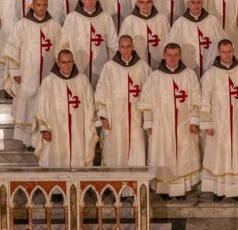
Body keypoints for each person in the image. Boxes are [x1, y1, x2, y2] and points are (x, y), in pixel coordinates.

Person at [139, 43, 202, 199]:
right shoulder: (155, 76)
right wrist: (149, 122)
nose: (172, 59)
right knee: (163, 155)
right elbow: (146, 101)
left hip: (184, 125)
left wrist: (194, 120)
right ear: (164, 55)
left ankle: (181, 190)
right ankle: (164, 189)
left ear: (180, 56)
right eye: (169, 55)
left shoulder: (189, 75)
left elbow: (197, 100)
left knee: (183, 155)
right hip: (162, 126)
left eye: (175, 55)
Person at [199, 39, 238, 201]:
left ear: (233, 51)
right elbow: (204, 101)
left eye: (229, 51)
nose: (227, 55)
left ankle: (236, 190)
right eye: (223, 52)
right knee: (218, 156)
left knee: (237, 156)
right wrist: (207, 123)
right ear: (218, 52)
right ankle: (218, 190)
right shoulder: (210, 74)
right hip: (217, 125)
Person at [2, 0, 61, 144]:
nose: (41, 8)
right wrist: (15, 71)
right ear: (33, 6)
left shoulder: (54, 25)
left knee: (45, 103)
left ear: (48, 5)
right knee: (27, 104)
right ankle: (27, 140)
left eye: (44, 5)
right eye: (38, 5)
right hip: (26, 74)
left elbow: (60, 49)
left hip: (47, 73)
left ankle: (42, 140)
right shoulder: (22, 25)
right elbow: (13, 48)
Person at [32, 49, 98, 168]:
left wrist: (90, 126)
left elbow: (90, 105)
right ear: (58, 63)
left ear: (73, 62)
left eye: (69, 62)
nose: (67, 66)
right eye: (63, 62)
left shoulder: (82, 81)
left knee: (78, 159)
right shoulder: (48, 82)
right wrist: (44, 128)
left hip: (78, 131)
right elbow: (40, 107)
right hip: (55, 131)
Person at [95, 34, 151, 167]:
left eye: (128, 47)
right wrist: (104, 116)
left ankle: (137, 177)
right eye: (122, 47)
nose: (125, 50)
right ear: (118, 48)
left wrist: (149, 119)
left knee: (137, 149)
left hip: (137, 118)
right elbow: (101, 93)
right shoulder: (109, 67)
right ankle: (115, 177)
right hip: (115, 119)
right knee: (116, 151)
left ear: (133, 47)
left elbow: (151, 94)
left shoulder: (143, 67)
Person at [60, 0, 118, 87]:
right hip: (78, 65)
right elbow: (64, 43)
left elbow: (113, 45)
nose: (90, 2)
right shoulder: (71, 18)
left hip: (100, 66)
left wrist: (112, 67)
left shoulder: (105, 18)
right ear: (82, 0)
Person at [167, 0, 225, 78]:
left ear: (202, 3)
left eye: (199, 2)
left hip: (211, 70)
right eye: (193, 2)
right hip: (187, 71)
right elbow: (170, 49)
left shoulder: (213, 22)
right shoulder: (179, 24)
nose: (196, 6)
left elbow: (224, 45)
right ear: (187, 4)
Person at [119, 0, 170, 69]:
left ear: (152, 3)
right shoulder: (129, 21)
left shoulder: (162, 19)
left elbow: (168, 42)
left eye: (148, 2)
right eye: (142, 2)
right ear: (137, 3)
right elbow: (122, 45)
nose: (145, 6)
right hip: (137, 66)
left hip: (159, 65)